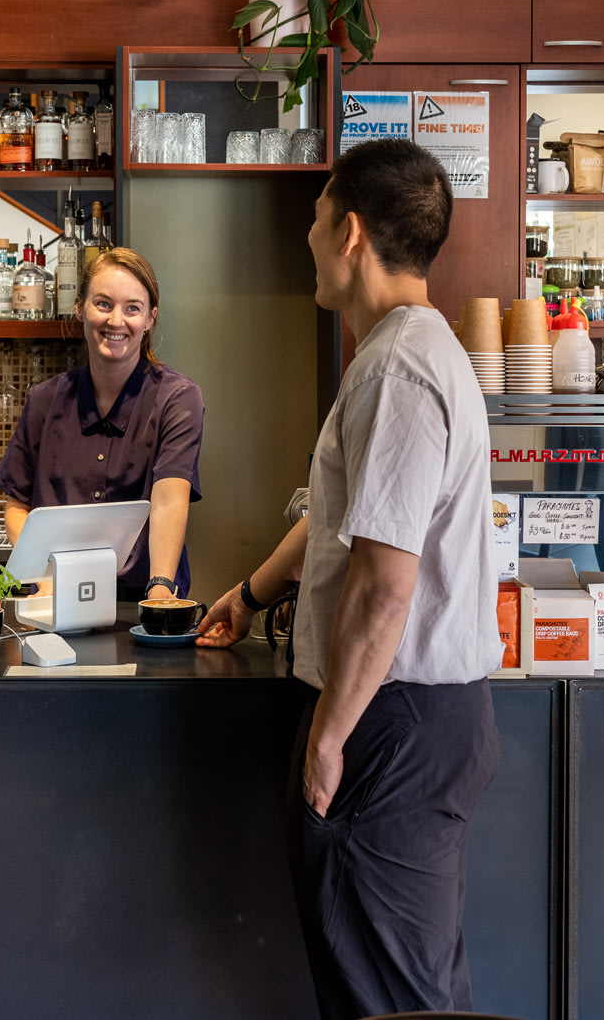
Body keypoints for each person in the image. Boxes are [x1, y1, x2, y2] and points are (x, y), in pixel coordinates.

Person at [197, 140, 503, 1019]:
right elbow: (344, 522)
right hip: (412, 719)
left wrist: (330, 736)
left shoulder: (400, 368)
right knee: (405, 988)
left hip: (389, 721)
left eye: (316, 216)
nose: (309, 235)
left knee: (392, 1004)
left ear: (351, 233)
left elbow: (385, 582)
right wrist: (250, 595)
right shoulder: (407, 350)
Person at [0, 246, 204, 601]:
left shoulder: (177, 399)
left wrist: (160, 590)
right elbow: (17, 506)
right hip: (55, 599)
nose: (116, 321)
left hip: (139, 601)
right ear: (80, 308)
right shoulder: (44, 400)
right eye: (103, 304)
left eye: (132, 308)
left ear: (150, 318)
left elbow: (169, 500)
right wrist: (47, 579)